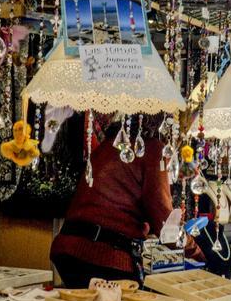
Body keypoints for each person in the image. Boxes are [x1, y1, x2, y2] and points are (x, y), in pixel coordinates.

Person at [50, 119, 175, 288]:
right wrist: (197, 252)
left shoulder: (107, 145)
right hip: (107, 256)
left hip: (68, 249)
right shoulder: (153, 149)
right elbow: (165, 221)